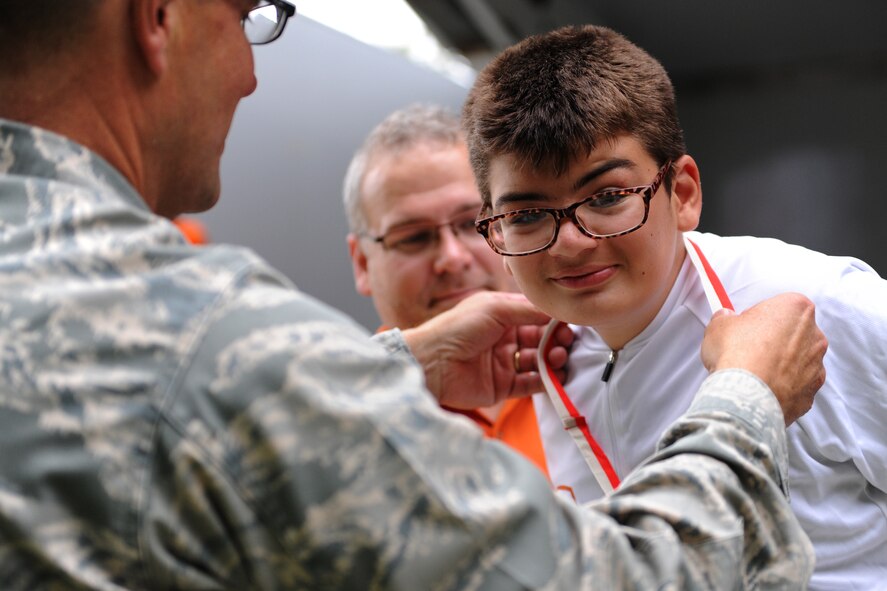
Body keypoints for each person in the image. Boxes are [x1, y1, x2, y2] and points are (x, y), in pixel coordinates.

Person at [0, 1, 827, 588]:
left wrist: (392, 365)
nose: (250, 74)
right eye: (244, 14)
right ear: (157, 18)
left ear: (679, 189)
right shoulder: (200, 337)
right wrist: (746, 400)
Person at [463, 23, 886, 590]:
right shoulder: (546, 361)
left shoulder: (821, 304)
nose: (572, 241)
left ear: (682, 193)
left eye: (608, 197)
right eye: (527, 214)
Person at [343, 104, 550, 476]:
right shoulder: (333, 417)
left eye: (473, 224)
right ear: (362, 264)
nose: (452, 258)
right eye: (414, 238)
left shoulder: (592, 366)